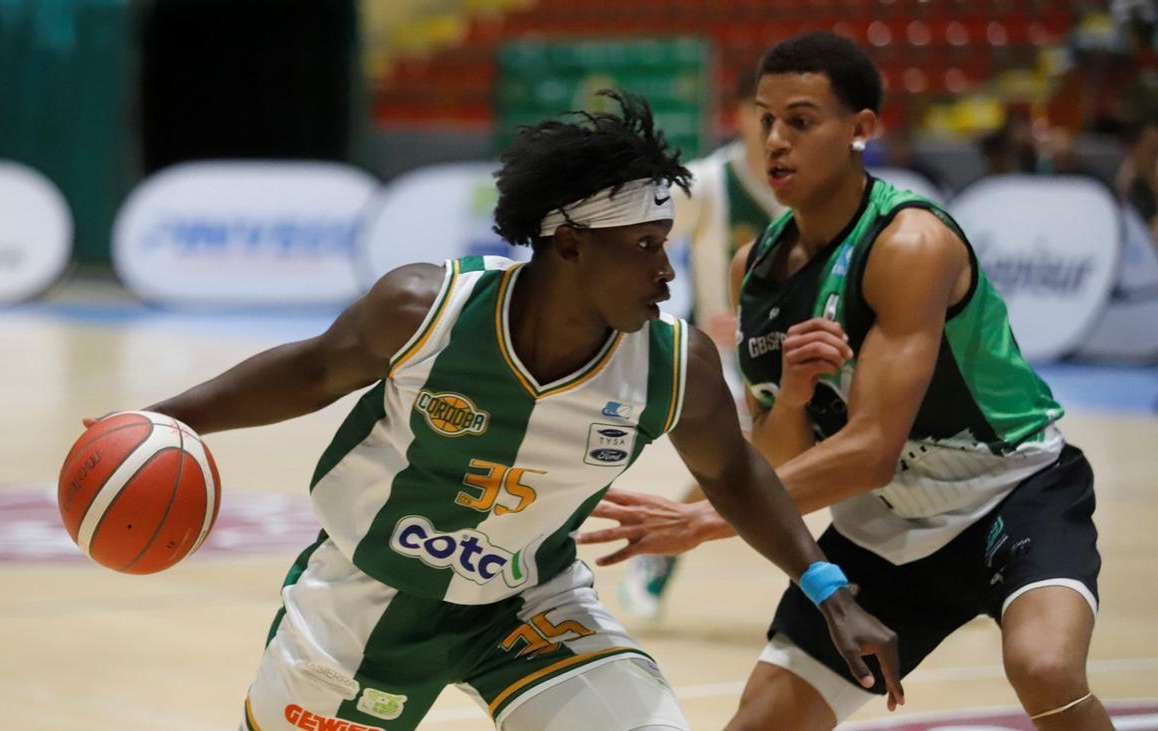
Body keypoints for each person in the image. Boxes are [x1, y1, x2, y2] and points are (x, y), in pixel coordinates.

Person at [87, 91, 901, 731]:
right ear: (571, 244)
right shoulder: (425, 309)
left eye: (669, 246)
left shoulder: (672, 362)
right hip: (365, 600)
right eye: (647, 247)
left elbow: (735, 473)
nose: (666, 272)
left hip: (529, 603)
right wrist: (162, 419)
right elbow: (308, 372)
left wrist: (830, 590)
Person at [579, 34, 1108, 731]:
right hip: (885, 527)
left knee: (1044, 666)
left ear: (861, 129)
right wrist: (794, 396)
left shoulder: (908, 243)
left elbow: (870, 451)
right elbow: (777, 454)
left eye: (800, 120)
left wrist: (705, 521)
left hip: (1011, 493)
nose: (775, 140)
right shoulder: (755, 269)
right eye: (766, 119)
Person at [618, 62, 786, 620]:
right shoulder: (709, 184)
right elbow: (633, 237)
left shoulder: (824, 188)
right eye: (761, 114)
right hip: (728, 361)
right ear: (737, 115)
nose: (774, 130)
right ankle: (662, 547)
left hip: (805, 357)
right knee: (745, 463)